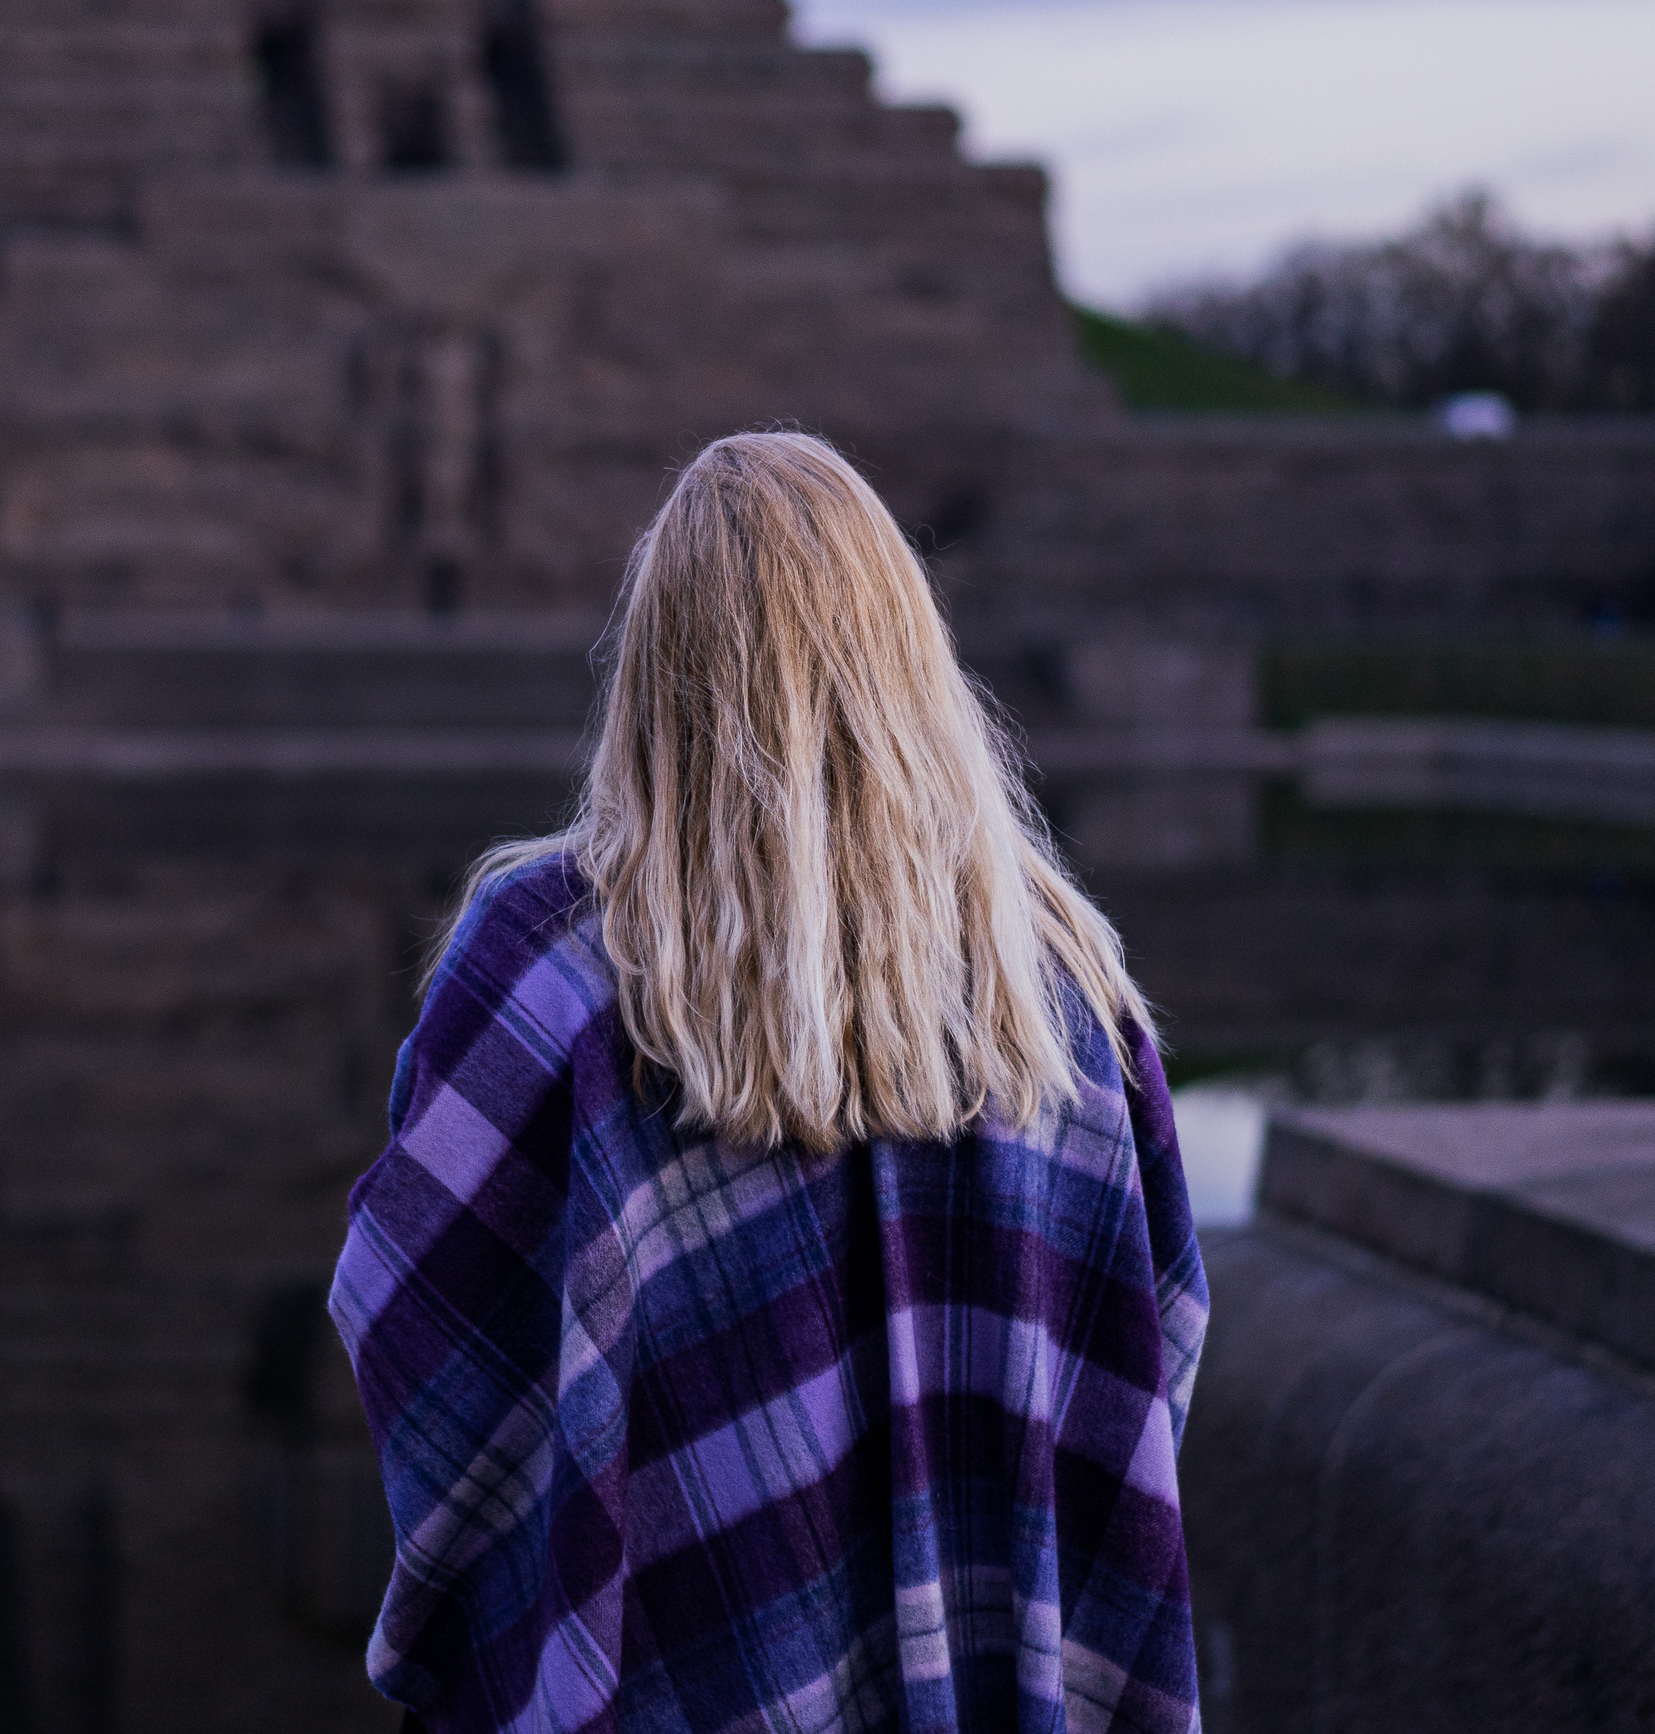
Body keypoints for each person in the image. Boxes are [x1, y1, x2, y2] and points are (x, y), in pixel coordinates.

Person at [330, 431, 1206, 1733]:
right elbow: (1157, 1336)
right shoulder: (1067, 984)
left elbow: (409, 1309)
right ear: (905, 650)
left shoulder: (549, 962)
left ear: (656, 664)